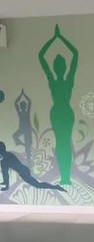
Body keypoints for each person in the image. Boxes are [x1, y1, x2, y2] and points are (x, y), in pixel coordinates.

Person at [38, 25, 78, 185]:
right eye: (57, 64)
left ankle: (66, 177)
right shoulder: (57, 80)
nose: (58, 66)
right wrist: (56, 38)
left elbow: (75, 54)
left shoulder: (65, 80)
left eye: (59, 64)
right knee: (62, 143)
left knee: (64, 142)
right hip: (58, 113)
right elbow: (41, 56)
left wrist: (58, 38)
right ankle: (64, 177)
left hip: (64, 113)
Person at [0, 141, 66, 192]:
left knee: (37, 185)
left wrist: (6, 185)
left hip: (24, 172)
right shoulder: (4, 158)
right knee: (37, 184)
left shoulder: (6, 157)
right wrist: (6, 183)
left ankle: (56, 187)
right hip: (23, 171)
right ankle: (56, 187)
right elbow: (5, 172)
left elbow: (5, 172)